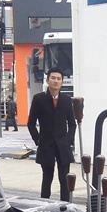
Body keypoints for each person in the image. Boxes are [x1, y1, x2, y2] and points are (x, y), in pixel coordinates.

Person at [27, 67, 76, 201]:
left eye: (59, 79)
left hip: (62, 146)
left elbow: (72, 124)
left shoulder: (66, 100)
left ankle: (65, 206)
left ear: (62, 82)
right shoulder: (39, 99)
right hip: (46, 145)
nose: (56, 81)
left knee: (64, 179)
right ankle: (44, 205)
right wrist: (38, 140)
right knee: (47, 178)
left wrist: (68, 140)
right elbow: (31, 123)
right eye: (53, 78)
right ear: (47, 80)